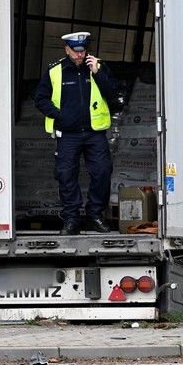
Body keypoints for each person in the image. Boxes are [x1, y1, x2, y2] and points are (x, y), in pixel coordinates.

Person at [34, 31, 119, 236]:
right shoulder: (55, 71)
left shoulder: (98, 66)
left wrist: (98, 73)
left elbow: (114, 92)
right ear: (67, 50)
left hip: (94, 133)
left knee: (102, 172)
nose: (80, 55)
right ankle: (71, 220)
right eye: (75, 51)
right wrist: (60, 116)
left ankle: (94, 215)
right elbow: (40, 99)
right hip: (68, 134)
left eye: (83, 51)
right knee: (66, 176)